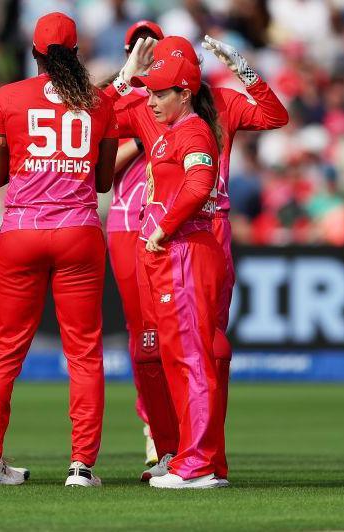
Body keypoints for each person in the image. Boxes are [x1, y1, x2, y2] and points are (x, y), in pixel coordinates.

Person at [110, 33, 288, 481]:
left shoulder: (218, 105)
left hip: (200, 228)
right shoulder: (154, 104)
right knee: (162, 345)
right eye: (147, 81)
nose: (149, 93)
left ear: (187, 83)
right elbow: (91, 118)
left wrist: (243, 67)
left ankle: (201, 455)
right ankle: (180, 449)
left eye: (157, 80)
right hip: (166, 230)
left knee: (201, 347)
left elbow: (275, 114)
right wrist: (126, 76)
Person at [0, 12, 117, 487]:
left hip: (21, 232)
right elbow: (102, 182)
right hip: (77, 231)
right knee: (84, 352)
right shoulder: (98, 103)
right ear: (75, 53)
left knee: (7, 350)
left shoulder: (8, 97)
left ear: (34, 53)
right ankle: (81, 467)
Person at [122, 52, 228, 489]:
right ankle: (193, 456)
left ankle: (199, 462)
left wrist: (163, 228)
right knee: (178, 357)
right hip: (169, 252)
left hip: (184, 250)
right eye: (148, 91)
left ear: (185, 94)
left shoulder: (196, 132)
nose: (151, 101)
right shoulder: (172, 133)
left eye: (160, 92)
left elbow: (200, 184)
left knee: (191, 356)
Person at [105, 20, 167, 469]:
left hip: (172, 223)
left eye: (152, 45)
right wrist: (148, 136)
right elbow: (100, 173)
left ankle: (181, 429)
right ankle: (153, 426)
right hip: (129, 222)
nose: (145, 52)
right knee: (143, 331)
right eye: (137, 46)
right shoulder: (118, 97)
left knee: (175, 330)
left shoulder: (179, 98)